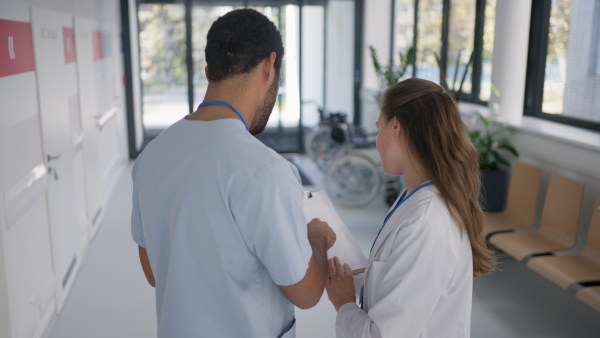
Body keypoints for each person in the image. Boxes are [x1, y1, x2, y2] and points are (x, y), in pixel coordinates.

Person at [131, 9, 335, 338]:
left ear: (210, 71)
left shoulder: (151, 157)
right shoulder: (266, 171)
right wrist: (316, 239)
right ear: (269, 67)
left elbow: (154, 270)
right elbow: (306, 293)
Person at [325, 78, 496, 337]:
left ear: (396, 127)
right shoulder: (414, 195)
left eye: (378, 126)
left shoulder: (425, 224)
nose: (377, 139)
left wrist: (344, 303)